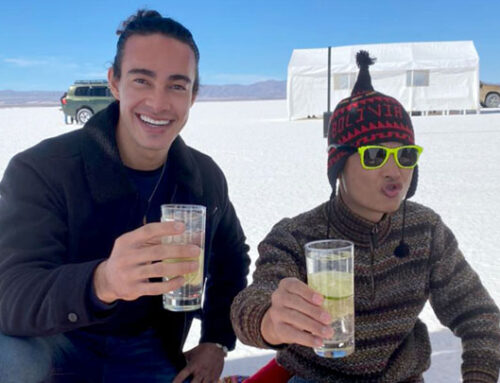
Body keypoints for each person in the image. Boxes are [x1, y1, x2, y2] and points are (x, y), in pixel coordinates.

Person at [0, 9, 250, 383]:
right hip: (55, 352)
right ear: (114, 83)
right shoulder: (43, 170)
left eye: (177, 86)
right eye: (142, 81)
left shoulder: (202, 179)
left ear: (194, 95)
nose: (159, 103)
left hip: (152, 351)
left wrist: (216, 340)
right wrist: (101, 282)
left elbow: (231, 261)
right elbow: (10, 293)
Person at [231, 51, 500, 382]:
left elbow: (479, 316)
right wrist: (269, 320)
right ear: (339, 164)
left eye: (404, 155)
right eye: (374, 155)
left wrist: (480, 376)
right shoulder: (297, 236)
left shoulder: (425, 231)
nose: (394, 171)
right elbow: (252, 303)